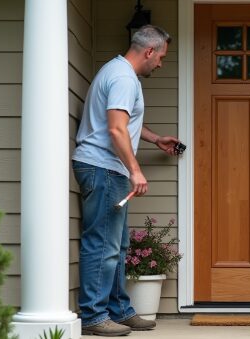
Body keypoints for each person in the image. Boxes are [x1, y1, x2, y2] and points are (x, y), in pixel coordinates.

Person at [72, 25, 181, 337]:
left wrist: (154, 138)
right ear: (149, 51)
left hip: (110, 169)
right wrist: (135, 169)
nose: (160, 63)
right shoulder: (122, 77)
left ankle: (119, 310)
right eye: (161, 57)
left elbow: (125, 122)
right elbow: (116, 130)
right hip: (104, 168)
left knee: (116, 246)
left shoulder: (119, 73)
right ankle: (94, 315)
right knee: (102, 245)